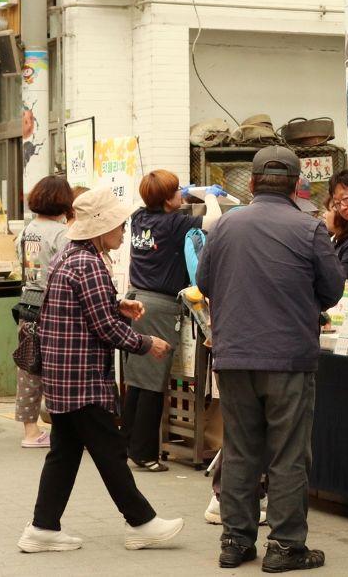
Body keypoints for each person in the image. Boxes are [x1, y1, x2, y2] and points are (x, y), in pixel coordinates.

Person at [197, 146, 345, 571]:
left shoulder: (224, 226)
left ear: (255, 182)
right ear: (298, 184)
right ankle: (285, 546)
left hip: (234, 357)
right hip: (288, 359)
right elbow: (333, 290)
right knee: (288, 454)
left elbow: (204, 282)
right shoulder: (309, 228)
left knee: (240, 449)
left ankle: (235, 541)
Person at [17, 188, 183, 554]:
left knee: (64, 454)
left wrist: (119, 304)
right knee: (109, 452)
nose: (124, 231)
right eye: (118, 225)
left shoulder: (72, 256)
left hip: (65, 375)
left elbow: (87, 310)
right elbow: (103, 328)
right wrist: (147, 343)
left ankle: (43, 527)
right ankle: (141, 521)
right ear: (100, 228)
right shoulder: (88, 263)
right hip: (82, 379)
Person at [123, 170, 224, 473]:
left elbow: (164, 205)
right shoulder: (172, 224)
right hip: (159, 306)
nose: (182, 194)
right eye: (177, 191)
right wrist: (209, 197)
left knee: (136, 380)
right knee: (153, 380)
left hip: (137, 299)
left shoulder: (140, 217)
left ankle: (127, 444)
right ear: (168, 200)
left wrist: (183, 193)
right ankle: (143, 453)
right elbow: (215, 223)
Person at [14, 176, 75, 448]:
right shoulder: (61, 234)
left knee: (29, 368)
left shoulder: (27, 231)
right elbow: (67, 268)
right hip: (53, 306)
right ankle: (65, 430)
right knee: (57, 369)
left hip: (27, 303)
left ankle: (30, 431)